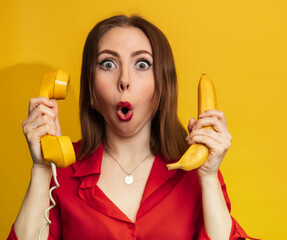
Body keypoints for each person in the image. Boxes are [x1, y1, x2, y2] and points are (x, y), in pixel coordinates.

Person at [8, 15, 255, 240]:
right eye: (107, 64)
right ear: (91, 91)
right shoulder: (60, 174)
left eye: (142, 64)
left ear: (162, 86)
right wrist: (41, 168)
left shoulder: (197, 172)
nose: (124, 80)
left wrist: (209, 177)